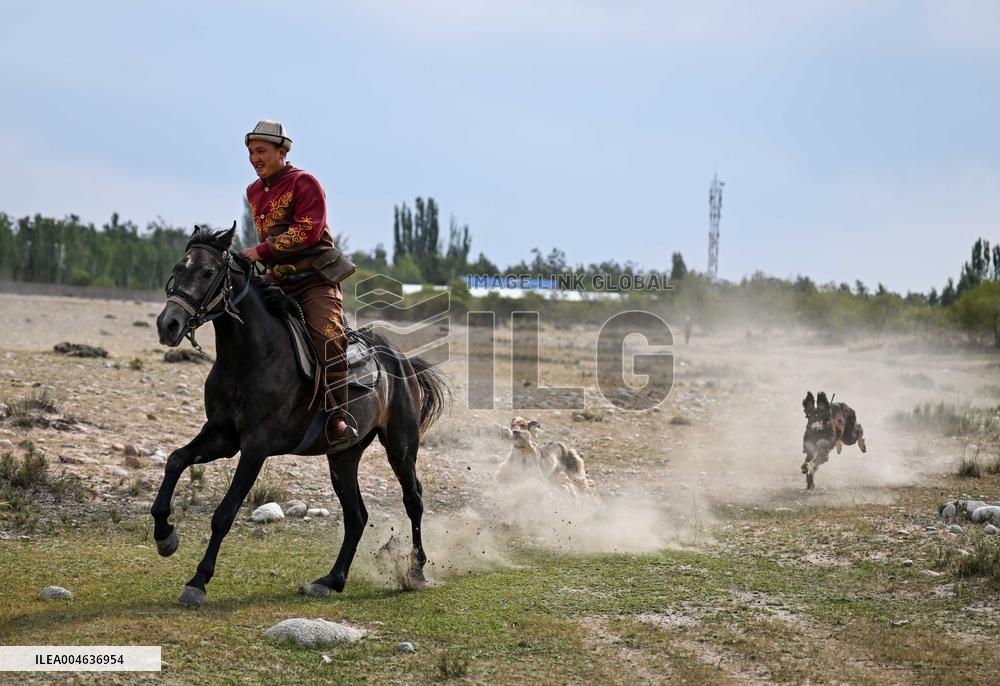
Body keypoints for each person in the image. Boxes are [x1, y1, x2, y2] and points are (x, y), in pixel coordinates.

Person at [240, 120, 358, 440]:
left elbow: (308, 232)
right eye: (250, 152)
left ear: (282, 152)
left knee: (329, 336)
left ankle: (337, 416)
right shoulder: (253, 191)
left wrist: (260, 251)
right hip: (277, 280)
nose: (254, 158)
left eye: (261, 151)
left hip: (314, 280)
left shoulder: (304, 183)